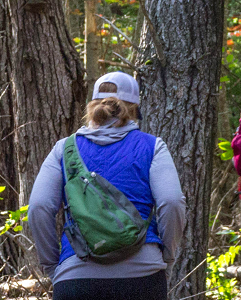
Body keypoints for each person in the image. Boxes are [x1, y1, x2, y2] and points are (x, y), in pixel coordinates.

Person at [26, 72, 187, 300]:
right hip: (143, 276)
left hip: (76, 276)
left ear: (92, 106)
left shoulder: (64, 149)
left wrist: (54, 266)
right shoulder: (152, 146)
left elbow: (39, 207)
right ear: (134, 109)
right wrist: (167, 258)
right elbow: (171, 203)